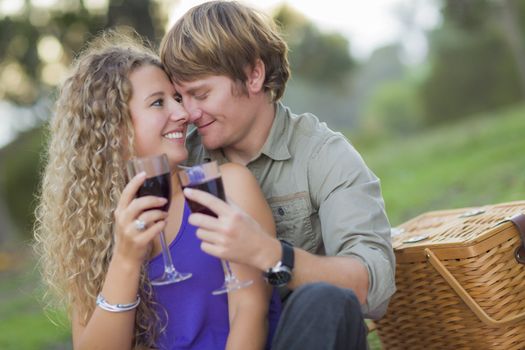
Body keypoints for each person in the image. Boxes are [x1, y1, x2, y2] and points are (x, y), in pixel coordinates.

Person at [160, 1, 396, 349]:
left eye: (201, 94)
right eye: (180, 97)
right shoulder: (184, 157)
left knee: (324, 302)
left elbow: (372, 289)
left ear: (254, 75)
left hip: (308, 336)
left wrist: (269, 253)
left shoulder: (324, 156)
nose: (189, 113)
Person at [33, 30, 281, 350]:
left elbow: (252, 311)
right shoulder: (89, 228)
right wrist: (125, 260)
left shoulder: (227, 185)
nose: (182, 114)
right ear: (115, 128)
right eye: (158, 103)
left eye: (176, 98)